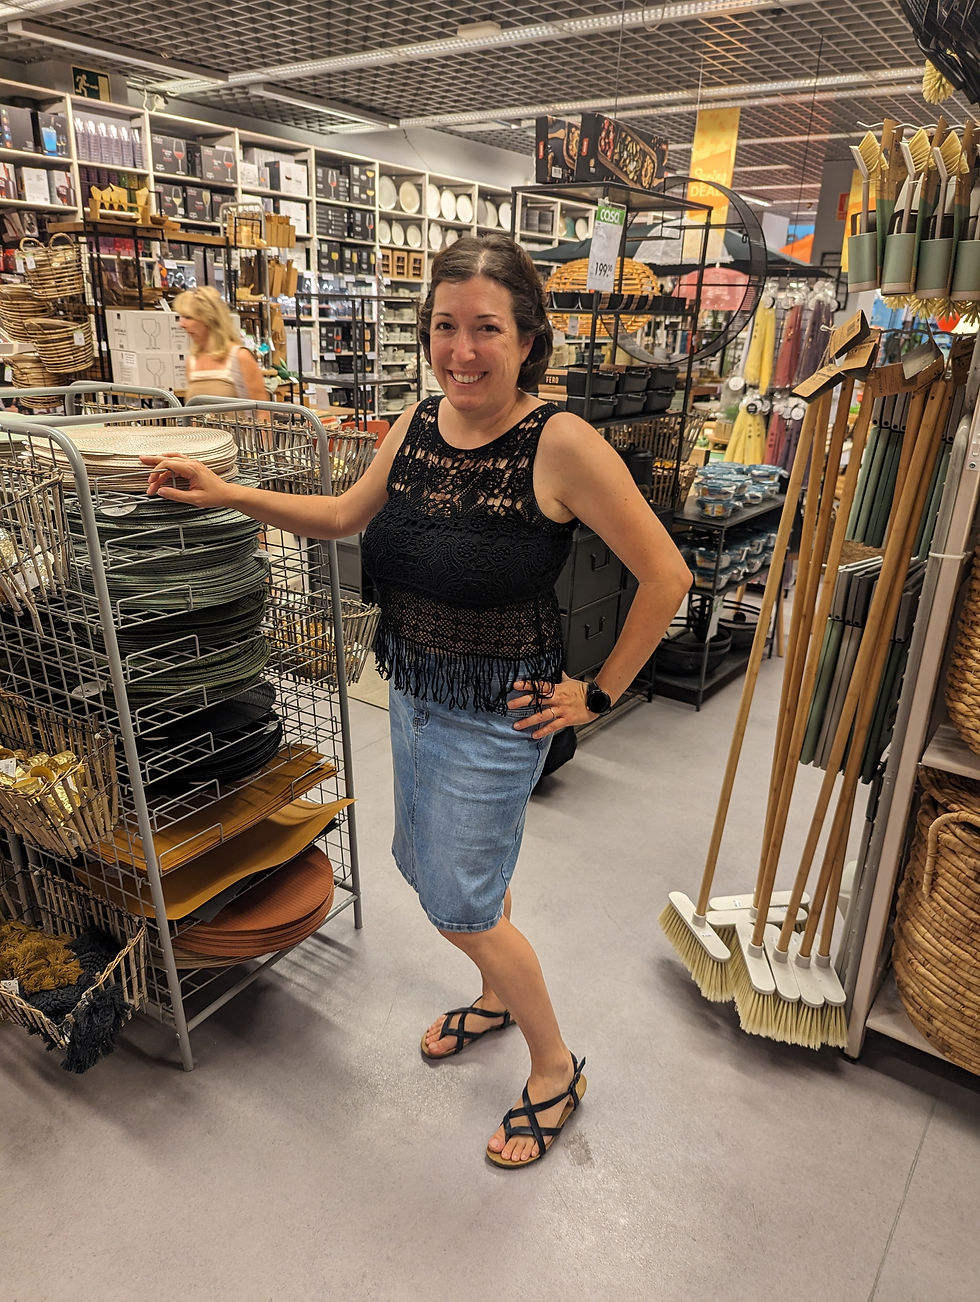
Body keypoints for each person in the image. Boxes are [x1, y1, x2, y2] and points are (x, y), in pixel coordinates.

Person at [143, 233, 691, 1167]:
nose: (462, 350)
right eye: (446, 327)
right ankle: (491, 997)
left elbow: (665, 576)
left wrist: (596, 694)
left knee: (457, 905)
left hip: (498, 713)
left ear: (527, 340)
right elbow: (344, 516)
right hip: (416, 690)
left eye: (486, 328)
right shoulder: (419, 421)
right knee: (453, 874)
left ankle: (555, 1066)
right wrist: (227, 492)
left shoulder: (559, 442)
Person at [173, 285, 268, 402]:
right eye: (181, 317)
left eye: (188, 317)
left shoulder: (240, 357)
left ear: (209, 319)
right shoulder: (192, 361)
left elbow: (263, 413)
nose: (181, 324)